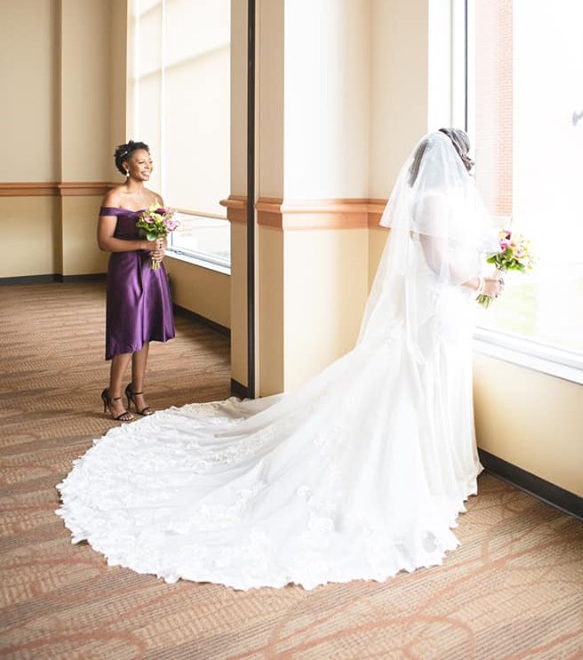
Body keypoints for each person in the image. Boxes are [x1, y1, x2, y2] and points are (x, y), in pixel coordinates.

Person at [58, 129, 503, 590]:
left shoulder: (442, 198)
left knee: (421, 375)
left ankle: (137, 390)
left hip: (441, 307)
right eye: (465, 155)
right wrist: (481, 282)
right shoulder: (432, 200)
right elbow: (436, 260)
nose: (468, 162)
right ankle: (118, 391)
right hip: (436, 300)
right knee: (408, 376)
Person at [97, 140, 175, 422]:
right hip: (126, 270)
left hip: (152, 270)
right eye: (142, 162)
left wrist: (159, 246)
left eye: (150, 161)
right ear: (126, 166)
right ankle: (113, 394)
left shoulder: (156, 198)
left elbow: (161, 236)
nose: (148, 166)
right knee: (127, 331)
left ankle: (137, 391)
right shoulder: (114, 197)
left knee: (146, 330)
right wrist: (141, 245)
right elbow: (104, 242)